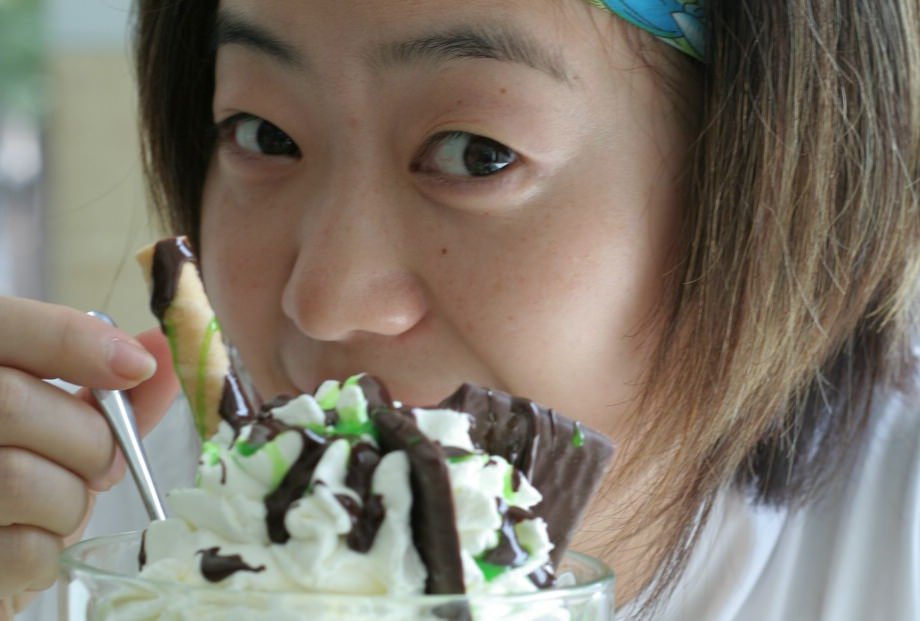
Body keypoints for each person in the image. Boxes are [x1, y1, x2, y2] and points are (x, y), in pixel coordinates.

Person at [3, 0, 918, 619]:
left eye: (478, 153)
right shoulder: (98, 530)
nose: (323, 300)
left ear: (766, 192)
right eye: (264, 134)